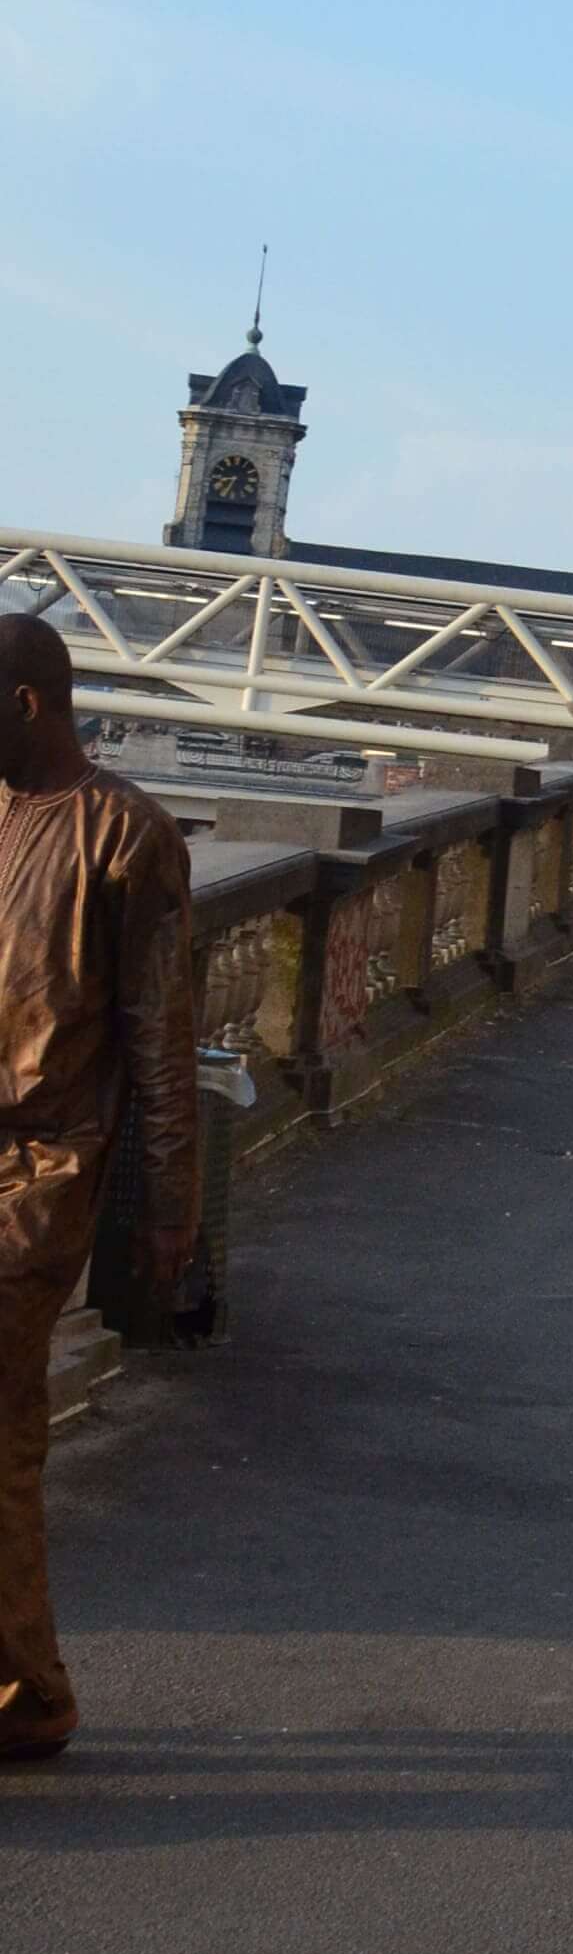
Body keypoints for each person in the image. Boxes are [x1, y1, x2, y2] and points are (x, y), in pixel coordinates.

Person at [0, 614, 200, 1762]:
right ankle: (21, 1689)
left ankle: (30, 1694)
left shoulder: (127, 835)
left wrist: (170, 1208)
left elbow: (161, 1038)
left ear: (27, 702)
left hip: (42, 1164)